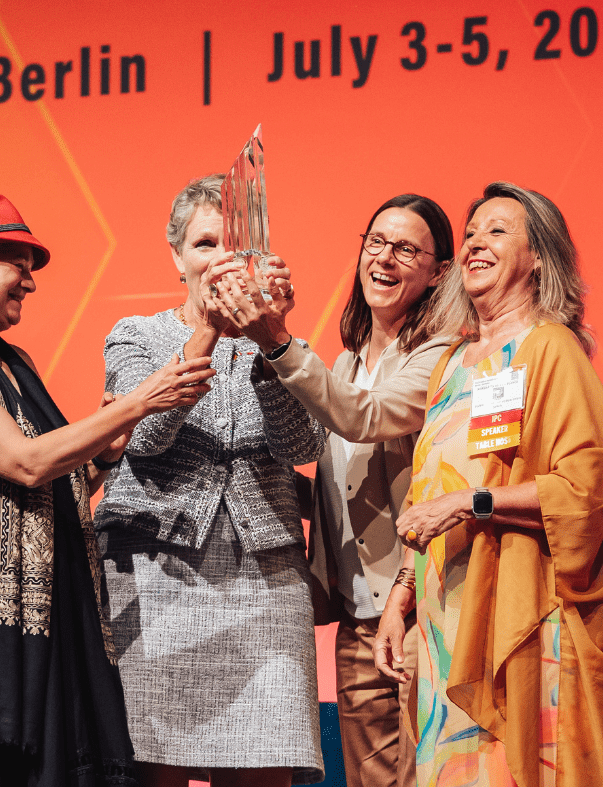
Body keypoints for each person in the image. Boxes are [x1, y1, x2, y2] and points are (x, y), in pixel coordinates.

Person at [0, 194, 215, 787]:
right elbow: (26, 462)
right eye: (16, 261)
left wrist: (111, 442)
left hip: (43, 622)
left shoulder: (15, 364)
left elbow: (66, 478)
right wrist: (139, 401)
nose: (29, 280)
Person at [375, 182, 603, 786]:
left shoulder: (550, 349)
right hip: (444, 620)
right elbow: (430, 488)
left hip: (523, 620)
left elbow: (586, 488)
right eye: (472, 231)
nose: (476, 241)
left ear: (537, 258)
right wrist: (401, 591)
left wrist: (471, 504)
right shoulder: (452, 364)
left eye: (498, 231)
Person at [209, 194, 454, 787]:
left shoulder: (442, 357)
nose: (385, 259)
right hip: (356, 619)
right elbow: (332, 483)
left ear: (438, 272)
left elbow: (364, 417)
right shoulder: (344, 365)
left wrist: (277, 342)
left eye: (405, 249)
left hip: (420, 609)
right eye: (376, 242)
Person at [93, 175, 327, 787]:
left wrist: (270, 341)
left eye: (234, 246)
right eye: (204, 245)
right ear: (176, 257)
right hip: (155, 578)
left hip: (266, 585)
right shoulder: (137, 336)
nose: (221, 260)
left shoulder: (280, 342)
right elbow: (144, 439)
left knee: (263, 769)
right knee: (156, 767)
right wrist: (210, 331)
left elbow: (303, 445)